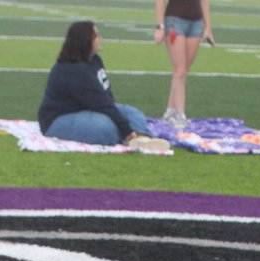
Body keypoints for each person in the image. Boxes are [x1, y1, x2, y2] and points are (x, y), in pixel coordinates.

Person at [39, 21, 170, 152]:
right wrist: (126, 129)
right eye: (96, 36)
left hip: (87, 110)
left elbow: (106, 97)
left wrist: (122, 121)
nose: (100, 38)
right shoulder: (74, 70)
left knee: (133, 113)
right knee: (106, 127)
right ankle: (129, 138)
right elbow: (101, 103)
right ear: (85, 40)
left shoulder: (95, 60)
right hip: (59, 119)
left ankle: (141, 138)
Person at [154, 0, 214, 128]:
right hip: (175, 22)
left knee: (183, 71)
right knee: (180, 70)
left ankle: (170, 111)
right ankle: (180, 114)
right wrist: (160, 26)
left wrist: (208, 27)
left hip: (196, 22)